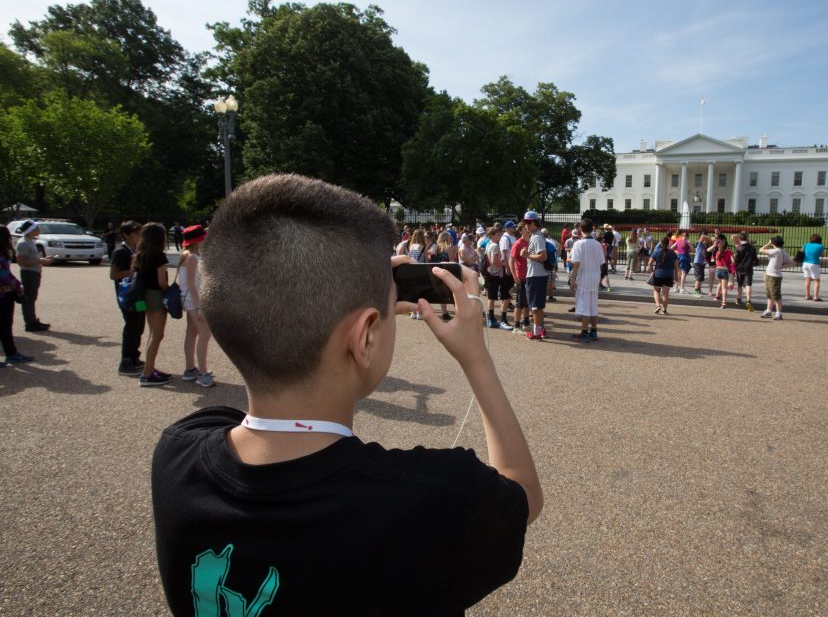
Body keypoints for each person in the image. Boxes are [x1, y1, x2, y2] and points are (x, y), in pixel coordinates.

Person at [151, 174, 541, 616]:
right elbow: (523, 493)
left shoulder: (177, 454)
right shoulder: (431, 498)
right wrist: (476, 358)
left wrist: (358, 295)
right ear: (365, 337)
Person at [135, 222, 173, 386]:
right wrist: (171, 291)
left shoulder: (140, 254)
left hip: (141, 298)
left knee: (151, 334)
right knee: (157, 335)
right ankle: (147, 373)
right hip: (155, 296)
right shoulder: (159, 256)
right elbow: (161, 282)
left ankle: (149, 368)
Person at [178, 225, 214, 388]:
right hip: (193, 301)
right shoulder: (192, 257)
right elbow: (192, 285)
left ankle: (190, 368)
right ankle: (203, 373)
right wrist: (199, 307)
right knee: (204, 334)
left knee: (192, 333)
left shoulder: (191, 256)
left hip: (190, 300)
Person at [111, 221, 147, 376]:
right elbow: (114, 274)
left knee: (139, 324)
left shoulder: (136, 250)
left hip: (138, 296)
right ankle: (125, 361)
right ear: (126, 234)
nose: (139, 237)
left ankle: (134, 356)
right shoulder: (121, 252)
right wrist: (133, 269)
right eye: (136, 233)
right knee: (131, 325)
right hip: (128, 296)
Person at [13, 220, 54, 332]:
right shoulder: (23, 243)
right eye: (36, 228)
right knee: (29, 298)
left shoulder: (29, 241)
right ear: (30, 230)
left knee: (32, 297)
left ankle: (32, 320)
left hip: (34, 272)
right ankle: (30, 323)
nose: (38, 230)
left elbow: (30, 259)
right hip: (29, 273)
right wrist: (41, 261)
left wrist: (42, 260)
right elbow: (21, 261)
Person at [569, 219, 605, 341]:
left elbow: (576, 264)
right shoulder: (598, 244)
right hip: (595, 276)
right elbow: (601, 263)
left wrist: (572, 279)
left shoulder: (578, 244)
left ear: (581, 229)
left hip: (583, 277)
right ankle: (593, 331)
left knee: (584, 306)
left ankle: (584, 332)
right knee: (593, 305)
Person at [1, 226, 31, 367]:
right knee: (5, 325)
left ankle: (11, 353)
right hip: (3, 294)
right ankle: (11, 354)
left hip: (5, 293)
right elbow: (4, 275)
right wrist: (18, 286)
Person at [523, 212, 550, 340]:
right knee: (538, 305)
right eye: (525, 222)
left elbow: (543, 256)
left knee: (535, 306)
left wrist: (527, 255)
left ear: (535, 223)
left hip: (536, 275)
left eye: (528, 223)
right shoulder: (535, 236)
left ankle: (537, 332)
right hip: (537, 274)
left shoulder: (537, 237)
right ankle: (541, 329)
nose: (526, 225)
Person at [484, 228, 514, 330]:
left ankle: (491, 319)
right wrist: (505, 264)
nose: (499, 236)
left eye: (500, 234)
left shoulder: (488, 244)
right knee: (505, 296)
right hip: (497, 274)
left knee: (491, 298)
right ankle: (502, 320)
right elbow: (494, 261)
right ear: (492, 235)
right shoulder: (495, 246)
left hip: (490, 273)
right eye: (497, 235)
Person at [759, 236, 789, 320]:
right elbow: (789, 262)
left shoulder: (775, 251)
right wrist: (780, 267)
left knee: (775, 295)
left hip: (774, 276)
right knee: (770, 295)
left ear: (774, 243)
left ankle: (778, 313)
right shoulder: (783, 251)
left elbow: (761, 250)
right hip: (772, 274)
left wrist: (768, 243)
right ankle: (769, 310)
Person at [509, 221, 530, 334]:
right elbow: (511, 261)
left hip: (530, 276)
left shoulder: (531, 242)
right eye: (526, 228)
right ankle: (516, 326)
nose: (528, 230)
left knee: (527, 303)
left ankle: (525, 323)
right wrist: (514, 276)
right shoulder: (518, 243)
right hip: (521, 276)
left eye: (528, 228)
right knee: (520, 303)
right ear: (521, 230)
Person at [650, 235, 677, 314]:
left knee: (656, 291)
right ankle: (664, 310)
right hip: (669, 274)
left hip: (658, 273)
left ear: (661, 243)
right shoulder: (672, 253)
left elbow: (650, 263)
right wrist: (676, 276)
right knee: (666, 294)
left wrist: (652, 272)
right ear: (668, 243)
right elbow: (676, 266)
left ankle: (658, 305)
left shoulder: (657, 251)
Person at [733, 231, 757, 310]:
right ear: (747, 238)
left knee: (740, 284)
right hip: (748, 267)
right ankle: (748, 300)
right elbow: (755, 259)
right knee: (748, 285)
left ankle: (739, 298)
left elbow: (736, 259)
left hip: (740, 268)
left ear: (740, 239)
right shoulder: (752, 247)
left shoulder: (739, 247)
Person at [709, 237, 734, 309]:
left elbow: (717, 262)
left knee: (719, 283)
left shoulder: (717, 252)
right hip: (725, 270)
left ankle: (717, 296)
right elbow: (733, 261)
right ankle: (724, 302)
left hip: (718, 270)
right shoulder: (729, 252)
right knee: (724, 288)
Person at [802, 233, 825, 301]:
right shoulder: (820, 246)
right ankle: (816, 296)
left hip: (805, 263)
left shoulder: (806, 245)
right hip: (814, 263)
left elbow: (802, 252)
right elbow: (823, 255)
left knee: (807, 279)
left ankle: (807, 295)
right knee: (816, 280)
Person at [674, 229, 692, 294]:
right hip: (685, 257)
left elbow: (671, 247)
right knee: (683, 273)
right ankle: (682, 288)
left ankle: (676, 288)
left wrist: (677, 250)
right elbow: (693, 249)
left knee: (678, 273)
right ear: (688, 236)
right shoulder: (688, 241)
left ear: (682, 235)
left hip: (678, 256)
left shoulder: (678, 241)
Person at [691, 231, 709, 297]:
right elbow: (703, 236)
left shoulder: (704, 246)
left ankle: (699, 290)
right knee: (698, 278)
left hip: (701, 264)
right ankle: (695, 292)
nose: (707, 241)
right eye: (706, 240)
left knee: (701, 278)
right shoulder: (700, 244)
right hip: (698, 263)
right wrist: (709, 238)